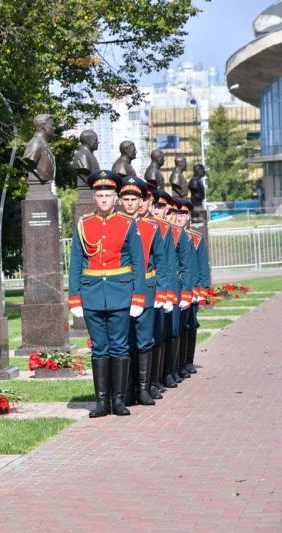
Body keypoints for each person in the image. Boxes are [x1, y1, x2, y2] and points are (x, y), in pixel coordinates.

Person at [68, 170, 145, 417]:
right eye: (99, 195)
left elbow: (138, 262)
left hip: (120, 293)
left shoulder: (127, 223)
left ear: (116, 198)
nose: (103, 199)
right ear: (94, 198)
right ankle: (102, 402)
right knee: (99, 348)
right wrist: (74, 297)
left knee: (120, 347)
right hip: (91, 294)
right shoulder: (84, 225)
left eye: (108, 195)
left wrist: (138, 296)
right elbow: (76, 262)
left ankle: (119, 400)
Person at [117, 177, 169, 406]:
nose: (130, 204)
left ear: (141, 201)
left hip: (146, 289)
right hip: (121, 289)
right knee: (124, 341)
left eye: (134, 199)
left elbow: (161, 262)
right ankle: (127, 389)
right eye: (126, 199)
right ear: (120, 201)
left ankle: (144, 388)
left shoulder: (151, 227)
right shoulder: (115, 225)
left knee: (144, 340)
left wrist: (162, 293)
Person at [163, 195, 194, 387]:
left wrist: (191, 290)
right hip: (157, 286)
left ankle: (173, 369)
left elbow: (189, 265)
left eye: (181, 213)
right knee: (159, 334)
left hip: (175, 285)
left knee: (177, 330)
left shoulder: (179, 234)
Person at [147, 190, 176, 396]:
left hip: (157, 288)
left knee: (160, 335)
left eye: (158, 206)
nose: (156, 209)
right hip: (135, 289)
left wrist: (165, 293)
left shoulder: (164, 229)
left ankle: (158, 378)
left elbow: (166, 264)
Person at [181, 198, 211, 375]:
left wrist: (202, 289)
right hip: (177, 288)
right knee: (178, 327)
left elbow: (202, 266)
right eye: (177, 214)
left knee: (191, 324)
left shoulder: (196, 238)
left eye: (184, 214)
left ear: (189, 216)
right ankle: (179, 363)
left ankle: (188, 361)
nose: (180, 217)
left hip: (192, 288)